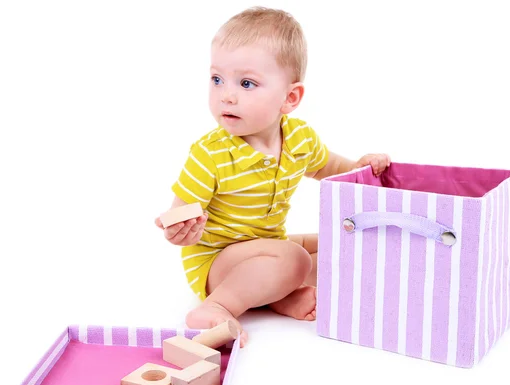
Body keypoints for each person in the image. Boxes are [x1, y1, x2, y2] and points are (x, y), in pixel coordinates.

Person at [155, 6, 390, 347]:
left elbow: (334, 170)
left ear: (290, 98)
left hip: (266, 251)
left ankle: (278, 296)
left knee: (337, 241)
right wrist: (180, 231)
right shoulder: (211, 153)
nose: (227, 94)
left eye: (246, 83)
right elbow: (181, 214)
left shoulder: (299, 139)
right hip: (216, 264)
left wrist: (363, 165)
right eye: (217, 79)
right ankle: (217, 306)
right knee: (292, 258)